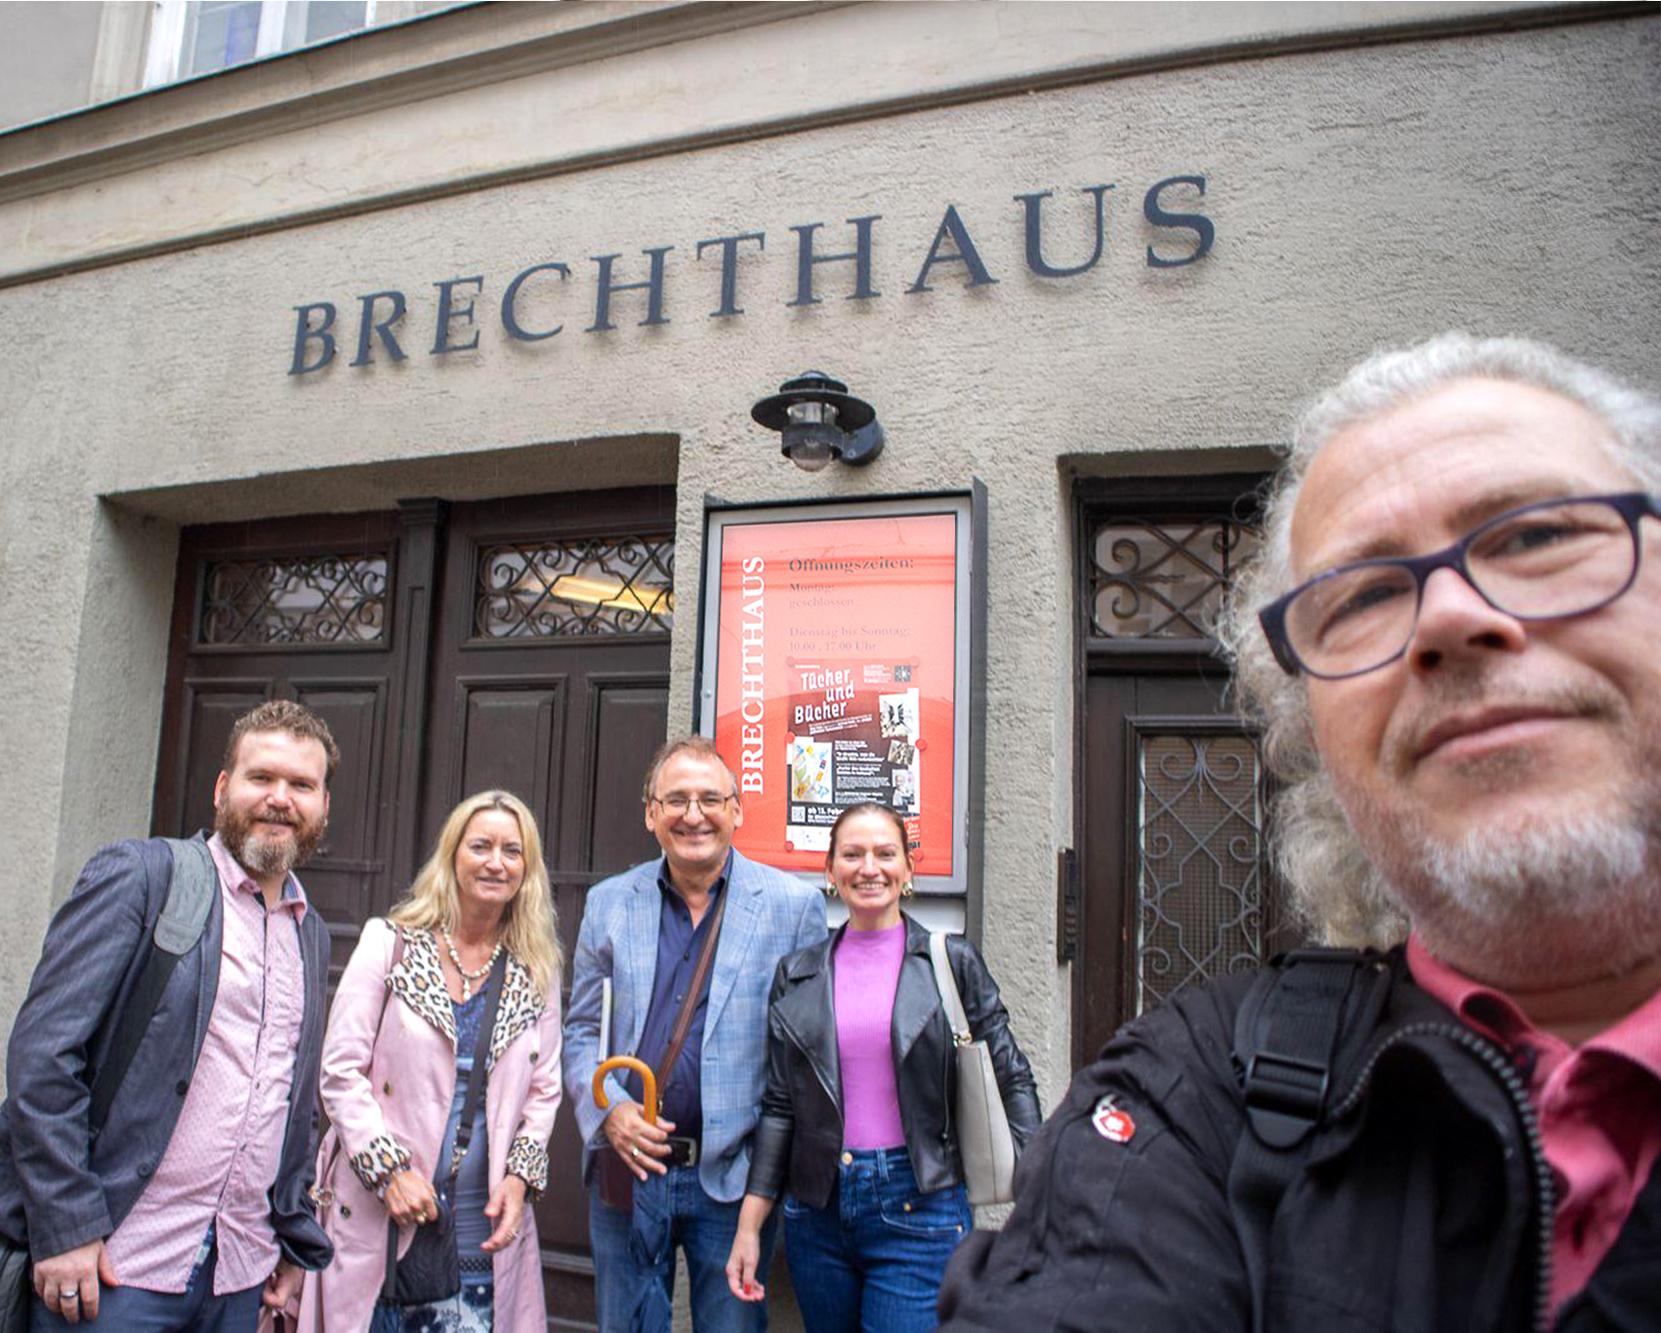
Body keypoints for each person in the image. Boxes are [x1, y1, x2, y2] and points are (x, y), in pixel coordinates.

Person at [937, 333, 1661, 1332]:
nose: (1447, 618)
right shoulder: (1193, 1096)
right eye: (1364, 595)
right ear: (1309, 732)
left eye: (1533, 537)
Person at [0, 699, 337, 1329]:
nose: (279, 798)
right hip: (114, 1268)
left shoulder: (309, 931)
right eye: (261, 777)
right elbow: (43, 1058)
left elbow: (292, 1104)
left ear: (323, 806)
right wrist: (66, 1224)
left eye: (301, 785)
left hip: (238, 1275)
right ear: (221, 788)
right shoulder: (142, 876)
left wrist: (293, 1234)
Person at [725, 802, 1040, 1333]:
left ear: (908, 869)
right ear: (830, 870)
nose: (869, 868)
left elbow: (1010, 1074)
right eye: (852, 855)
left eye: (885, 854)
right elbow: (779, 1107)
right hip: (817, 1211)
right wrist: (750, 1225)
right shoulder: (797, 974)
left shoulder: (950, 962)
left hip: (921, 1205)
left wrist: (1038, 1193)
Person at [562, 735, 827, 1333]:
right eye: (675, 799)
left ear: (737, 810)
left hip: (733, 1181)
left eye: (710, 799)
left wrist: (771, 1176)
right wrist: (607, 1111)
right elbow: (581, 1031)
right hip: (627, 1170)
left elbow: (803, 1060)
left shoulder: (793, 907)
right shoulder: (608, 903)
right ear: (650, 813)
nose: (693, 814)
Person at [295, 790, 564, 1333]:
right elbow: (340, 1072)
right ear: (452, 854)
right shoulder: (389, 944)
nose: (496, 862)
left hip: (481, 1225)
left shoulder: (537, 969)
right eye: (481, 846)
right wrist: (389, 1172)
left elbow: (544, 1090)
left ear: (527, 869)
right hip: (377, 1214)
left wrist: (519, 1180)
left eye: (512, 851)